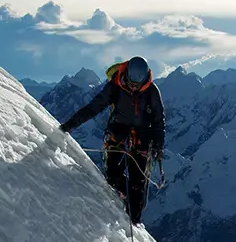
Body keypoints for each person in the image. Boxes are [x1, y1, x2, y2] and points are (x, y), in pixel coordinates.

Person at [60, 56, 165, 224]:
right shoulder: (115, 87)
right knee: (113, 175)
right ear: (127, 74)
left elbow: (159, 121)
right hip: (120, 135)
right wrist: (70, 125)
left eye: (139, 82)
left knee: (138, 183)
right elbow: (93, 107)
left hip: (140, 140)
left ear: (145, 78)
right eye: (133, 81)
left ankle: (134, 220)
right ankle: (127, 202)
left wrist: (158, 145)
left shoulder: (151, 92)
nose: (134, 85)